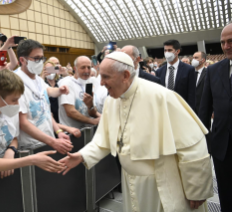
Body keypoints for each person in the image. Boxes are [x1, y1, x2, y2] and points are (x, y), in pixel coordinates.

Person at [59, 52, 213, 212]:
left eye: (105, 77)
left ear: (125, 75)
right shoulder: (111, 101)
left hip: (160, 183)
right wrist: (82, 155)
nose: (101, 83)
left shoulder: (161, 96)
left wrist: (197, 189)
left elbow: (192, 145)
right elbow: (103, 140)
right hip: (129, 181)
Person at [0, 69, 63, 176]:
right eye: (14, 100)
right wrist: (32, 160)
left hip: (8, 171)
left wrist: (10, 151)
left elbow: (14, 137)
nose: (17, 104)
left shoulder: (9, 109)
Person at [14, 39, 74, 153]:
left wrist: (58, 132)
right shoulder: (15, 82)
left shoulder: (37, 78)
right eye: (36, 58)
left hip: (48, 140)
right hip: (30, 147)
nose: (40, 62)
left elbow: (46, 108)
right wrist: (53, 141)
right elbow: (23, 123)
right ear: (22, 60)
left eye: (42, 58)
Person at [199, 21, 232, 212]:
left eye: (230, 41)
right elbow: (204, 109)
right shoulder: (213, 70)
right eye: (223, 42)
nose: (226, 46)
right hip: (222, 148)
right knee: (226, 195)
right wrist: (203, 144)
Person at [58, 56, 100, 129]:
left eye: (89, 67)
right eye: (83, 67)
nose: (87, 71)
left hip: (87, 131)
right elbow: (70, 112)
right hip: (71, 132)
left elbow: (92, 112)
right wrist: (92, 121)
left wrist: (91, 106)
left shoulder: (90, 83)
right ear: (75, 69)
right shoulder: (67, 83)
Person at [156, 40, 196, 110]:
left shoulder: (189, 69)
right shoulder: (159, 71)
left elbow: (192, 94)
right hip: (165, 109)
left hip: (182, 109)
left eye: (170, 50)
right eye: (165, 50)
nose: (167, 53)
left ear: (177, 51)